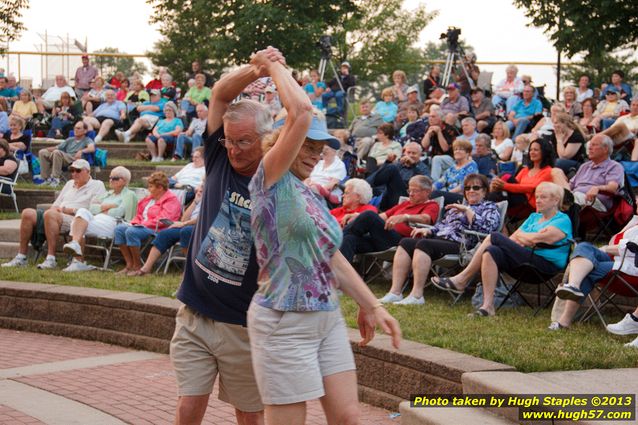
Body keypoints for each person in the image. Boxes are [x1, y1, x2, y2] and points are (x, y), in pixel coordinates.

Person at [246, 50, 400, 424]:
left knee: (348, 417)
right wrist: (274, 66)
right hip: (284, 320)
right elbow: (300, 113)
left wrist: (371, 305)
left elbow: (329, 255)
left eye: (320, 148)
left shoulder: (309, 193)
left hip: (326, 317)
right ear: (284, 141)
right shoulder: (269, 179)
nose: (315, 154)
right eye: (308, 144)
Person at [170, 47, 283, 425]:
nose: (233, 149)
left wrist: (275, 71)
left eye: (244, 142)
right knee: (188, 406)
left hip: (242, 323)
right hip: (195, 311)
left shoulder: (273, 176)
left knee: (249, 416)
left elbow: (298, 118)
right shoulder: (218, 156)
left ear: (266, 140)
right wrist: (257, 67)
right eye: (229, 140)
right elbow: (219, 93)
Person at [433, 182, 572, 316]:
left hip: (544, 266)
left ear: (556, 200)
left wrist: (527, 237)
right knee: (491, 252)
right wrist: (529, 237)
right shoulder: (534, 217)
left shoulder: (562, 220)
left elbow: (536, 240)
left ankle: (462, 279)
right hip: (524, 260)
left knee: (494, 236)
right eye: (537, 197)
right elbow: (514, 238)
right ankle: (487, 306)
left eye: (543, 197)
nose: (538, 200)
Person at [380, 173, 500, 305]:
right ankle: (395, 292)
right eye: (467, 188)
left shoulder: (490, 207)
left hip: (462, 245)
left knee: (424, 244)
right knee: (406, 242)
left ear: (484, 191)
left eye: (476, 188)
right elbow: (441, 226)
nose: (471, 190)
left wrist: (467, 210)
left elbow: (486, 230)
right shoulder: (455, 209)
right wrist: (427, 229)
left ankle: (417, 295)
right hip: (441, 239)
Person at [2, 159, 105, 269]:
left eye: (78, 171)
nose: (74, 173)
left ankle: (51, 258)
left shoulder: (97, 185)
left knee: (50, 215)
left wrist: (68, 210)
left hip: (78, 218)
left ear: (88, 171)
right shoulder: (69, 184)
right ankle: (21, 257)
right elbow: (56, 204)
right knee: (28, 213)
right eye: (72, 170)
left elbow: (94, 209)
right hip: (58, 215)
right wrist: (56, 209)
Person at [550, 217, 638, 330]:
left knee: (586, 269)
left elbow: (632, 248)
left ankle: (563, 321)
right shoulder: (634, 220)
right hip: (615, 260)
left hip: (630, 268)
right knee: (583, 247)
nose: (636, 201)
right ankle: (573, 286)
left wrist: (606, 249)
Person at [340, 175, 440, 262]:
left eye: (415, 191)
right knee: (350, 239)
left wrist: (405, 217)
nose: (410, 194)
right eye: (409, 190)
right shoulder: (405, 204)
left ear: (427, 192)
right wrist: (358, 216)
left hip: (401, 241)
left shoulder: (432, 205)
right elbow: (381, 217)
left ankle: (336, 238)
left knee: (369, 215)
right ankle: (339, 277)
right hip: (382, 238)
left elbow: (426, 219)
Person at [61, 166, 138, 272]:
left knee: (78, 223)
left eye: (115, 178)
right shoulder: (107, 194)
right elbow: (91, 208)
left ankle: (77, 259)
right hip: (98, 220)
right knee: (82, 213)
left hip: (114, 224)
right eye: (110, 177)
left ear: (124, 181)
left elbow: (120, 212)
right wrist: (109, 206)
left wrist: (101, 207)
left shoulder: (130, 195)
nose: (111, 180)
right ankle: (77, 258)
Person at [113, 171, 181, 276]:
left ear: (160, 188)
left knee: (131, 231)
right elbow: (139, 214)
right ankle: (129, 265)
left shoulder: (171, 200)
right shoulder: (148, 199)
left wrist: (144, 223)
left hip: (158, 229)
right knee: (119, 229)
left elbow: (165, 219)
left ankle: (137, 266)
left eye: (151, 186)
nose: (148, 189)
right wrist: (136, 222)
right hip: (142, 226)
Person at [135, 184, 204, 276]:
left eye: (203, 187)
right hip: (188, 225)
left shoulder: (213, 199)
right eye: (200, 186)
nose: (200, 189)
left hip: (203, 227)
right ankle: (146, 268)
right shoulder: (198, 200)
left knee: (186, 231)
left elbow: (205, 218)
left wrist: (183, 224)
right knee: (165, 233)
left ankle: (190, 270)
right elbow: (184, 219)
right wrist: (195, 202)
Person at [556, 134, 623, 212]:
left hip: (596, 201)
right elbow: (570, 185)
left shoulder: (614, 166)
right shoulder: (585, 166)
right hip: (576, 197)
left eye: (594, 145)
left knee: (567, 199)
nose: (590, 148)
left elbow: (613, 188)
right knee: (550, 194)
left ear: (605, 149)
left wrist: (597, 188)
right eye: (590, 145)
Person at [489, 138, 555, 213]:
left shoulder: (548, 171)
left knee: (506, 176)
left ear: (545, 152)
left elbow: (533, 188)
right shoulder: (526, 170)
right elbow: (514, 184)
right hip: (517, 200)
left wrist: (505, 186)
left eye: (536, 150)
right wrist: (502, 185)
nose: (532, 152)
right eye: (531, 150)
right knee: (499, 192)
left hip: (530, 204)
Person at [366, 141, 428, 211]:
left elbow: (426, 184)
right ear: (404, 153)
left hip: (405, 195)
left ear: (420, 155)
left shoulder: (422, 167)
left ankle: (365, 186)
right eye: (408, 152)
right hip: (386, 194)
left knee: (392, 168)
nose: (410, 155)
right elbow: (378, 177)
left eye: (414, 153)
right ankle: (364, 187)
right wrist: (387, 162)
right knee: (382, 168)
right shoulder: (399, 164)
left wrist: (414, 166)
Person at [37, 122, 95, 187]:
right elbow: (57, 147)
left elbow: (92, 148)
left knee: (57, 152)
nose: (75, 130)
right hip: (64, 158)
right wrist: (46, 149)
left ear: (85, 131)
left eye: (78, 128)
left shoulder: (87, 140)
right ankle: (45, 179)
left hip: (75, 159)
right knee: (42, 152)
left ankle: (55, 179)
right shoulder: (70, 140)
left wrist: (81, 151)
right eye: (75, 128)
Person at [431, 139, 478, 205]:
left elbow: (464, 186)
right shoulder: (452, 168)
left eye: (460, 149)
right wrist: (429, 188)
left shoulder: (471, 165)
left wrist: (448, 193)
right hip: (448, 194)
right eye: (455, 149)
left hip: (463, 197)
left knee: (436, 194)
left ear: (467, 152)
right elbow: (441, 182)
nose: (457, 151)